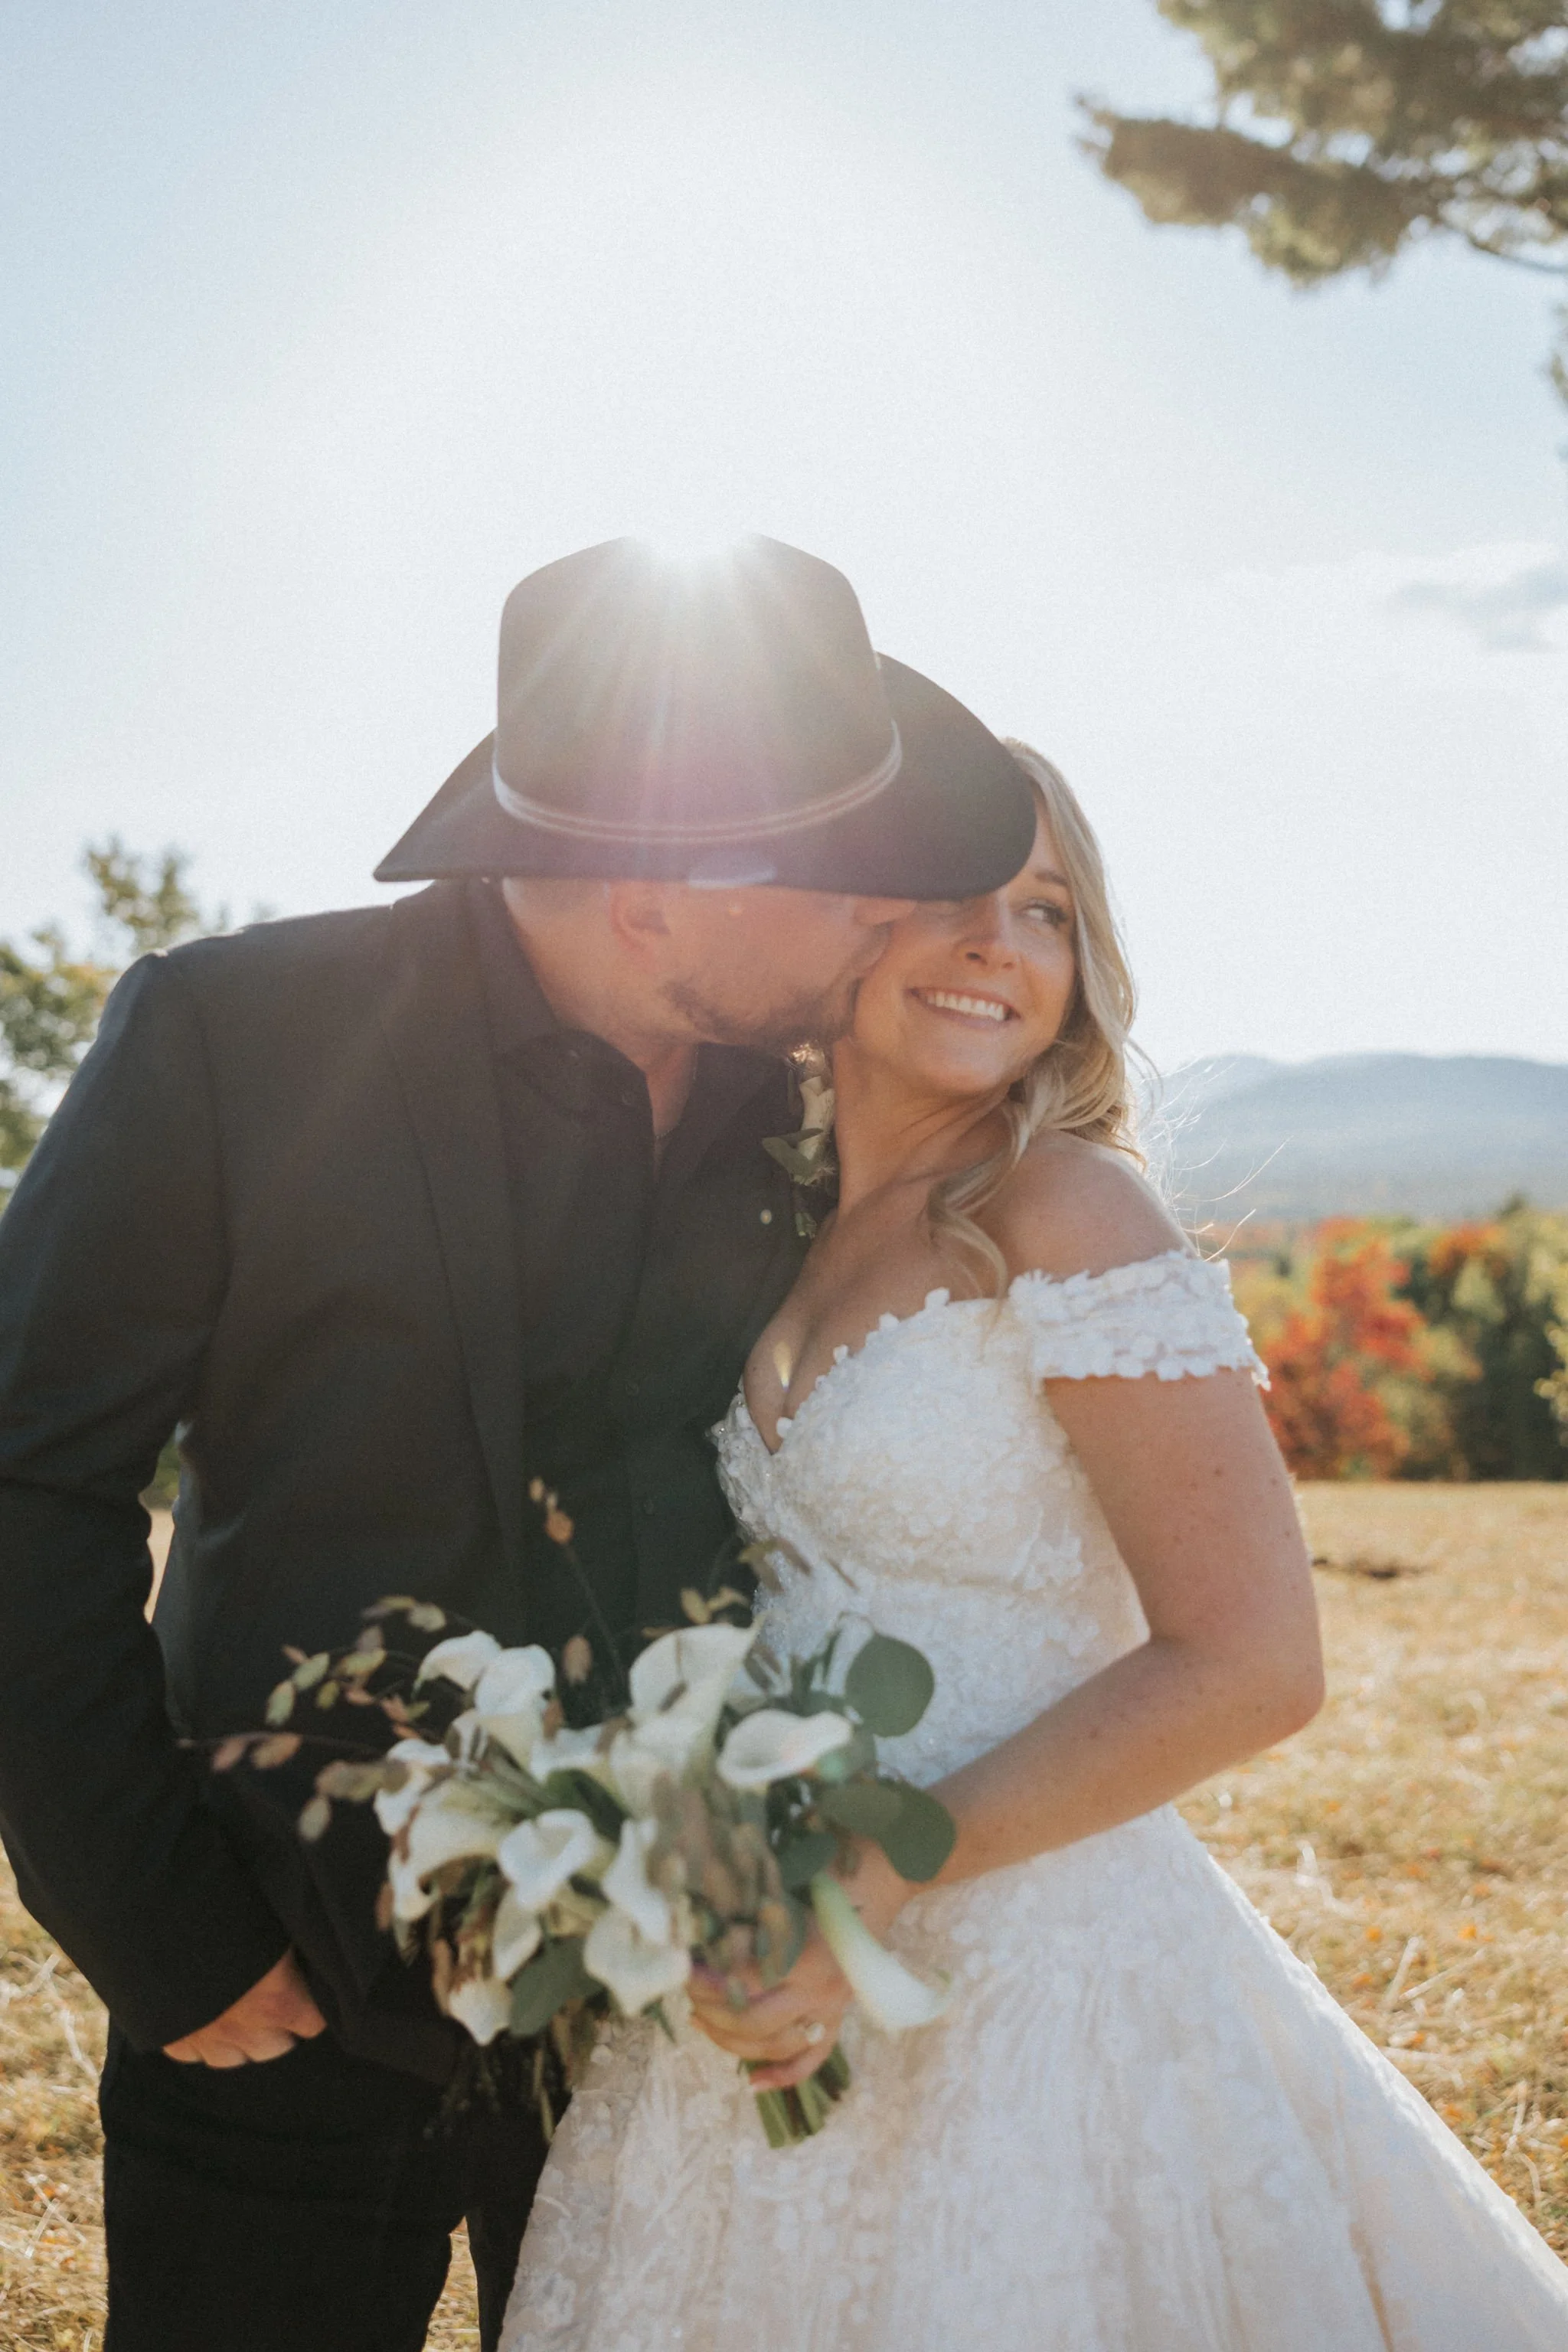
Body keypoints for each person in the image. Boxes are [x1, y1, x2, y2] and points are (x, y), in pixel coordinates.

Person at [0, 534, 1037, 2352]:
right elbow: (26, 1474)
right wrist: (151, 1917)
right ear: (655, 894)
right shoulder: (233, 1037)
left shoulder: (815, 1091)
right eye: (849, 884)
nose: (891, 924)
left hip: (682, 2015)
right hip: (277, 1962)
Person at [503, 746, 1568, 2350]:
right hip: (777, 1953)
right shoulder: (774, 1231)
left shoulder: (1069, 1213)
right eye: (953, 895)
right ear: (842, 928)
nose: (1001, 942)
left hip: (1034, 1962)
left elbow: (1254, 1665)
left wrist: (852, 1887)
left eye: (1048, 911)